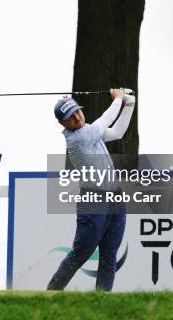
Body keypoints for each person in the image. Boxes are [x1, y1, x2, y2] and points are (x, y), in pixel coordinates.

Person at [47, 88, 135, 291]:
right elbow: (105, 120)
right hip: (93, 201)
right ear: (63, 123)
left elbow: (118, 132)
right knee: (80, 253)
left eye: (78, 112)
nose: (77, 118)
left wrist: (129, 105)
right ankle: (50, 295)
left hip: (115, 199)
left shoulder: (89, 133)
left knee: (109, 253)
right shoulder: (78, 138)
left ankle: (101, 301)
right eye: (71, 117)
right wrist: (119, 99)